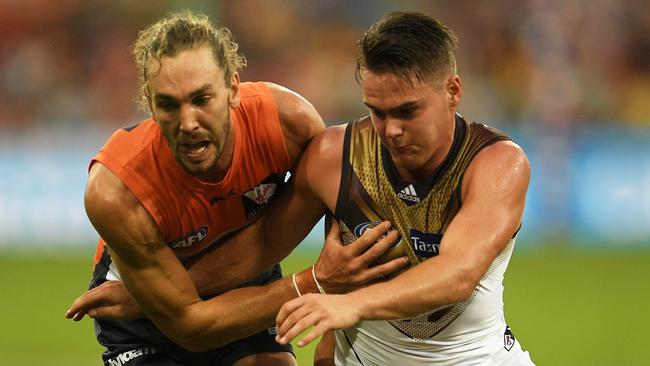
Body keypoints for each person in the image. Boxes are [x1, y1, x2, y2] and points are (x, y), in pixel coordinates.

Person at [65, 10, 406, 366]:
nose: (188, 123)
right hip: (150, 318)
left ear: (232, 89)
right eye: (168, 104)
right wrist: (315, 280)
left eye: (202, 99)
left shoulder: (288, 126)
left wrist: (331, 342)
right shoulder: (117, 190)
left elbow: (338, 242)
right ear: (149, 104)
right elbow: (190, 326)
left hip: (239, 287)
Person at [272, 12, 536, 365]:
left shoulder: (495, 164)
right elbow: (257, 250)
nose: (391, 130)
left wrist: (349, 303)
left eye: (407, 111)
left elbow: (457, 274)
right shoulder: (334, 157)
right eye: (378, 112)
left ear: (452, 91)